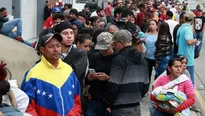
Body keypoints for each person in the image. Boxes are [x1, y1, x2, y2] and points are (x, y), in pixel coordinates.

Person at [21, 33, 82, 116]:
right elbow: (27, 105)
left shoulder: (68, 70)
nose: (56, 49)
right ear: (42, 49)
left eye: (58, 46)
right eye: (51, 46)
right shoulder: (33, 74)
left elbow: (77, 98)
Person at [103, 29, 149, 116]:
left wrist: (107, 103)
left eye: (115, 44)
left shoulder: (119, 59)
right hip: (136, 107)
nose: (114, 47)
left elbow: (114, 84)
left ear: (121, 43)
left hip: (120, 108)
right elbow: (146, 84)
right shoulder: (143, 59)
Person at [85, 32, 118, 116]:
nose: (103, 51)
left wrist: (108, 78)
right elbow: (87, 80)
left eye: (105, 49)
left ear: (112, 45)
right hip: (95, 98)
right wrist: (89, 78)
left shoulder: (118, 58)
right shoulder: (95, 57)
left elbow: (121, 82)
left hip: (110, 100)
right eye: (100, 49)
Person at [55, 21, 88, 92]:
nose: (69, 36)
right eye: (65, 33)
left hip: (73, 95)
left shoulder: (80, 54)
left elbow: (74, 74)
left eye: (71, 33)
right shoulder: (53, 53)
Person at [176, 11, 198, 85]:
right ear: (192, 19)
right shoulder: (188, 29)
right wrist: (195, 41)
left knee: (181, 80)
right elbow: (189, 41)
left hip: (180, 57)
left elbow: (177, 42)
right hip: (188, 58)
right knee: (190, 81)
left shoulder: (181, 28)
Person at [144, 20, 158, 84]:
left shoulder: (159, 35)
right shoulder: (145, 34)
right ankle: (146, 90)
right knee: (147, 75)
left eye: (153, 24)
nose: (151, 26)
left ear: (156, 26)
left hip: (156, 58)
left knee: (158, 75)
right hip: (147, 57)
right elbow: (142, 44)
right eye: (150, 24)